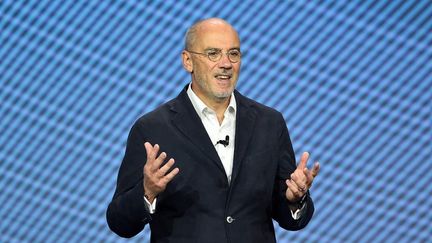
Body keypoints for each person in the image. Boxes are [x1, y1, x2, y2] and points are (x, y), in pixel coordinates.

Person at [106, 18, 320, 243]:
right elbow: (120, 222)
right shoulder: (152, 128)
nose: (226, 63)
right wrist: (147, 191)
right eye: (213, 54)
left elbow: (289, 217)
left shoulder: (269, 123)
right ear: (188, 61)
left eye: (234, 54)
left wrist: (295, 199)